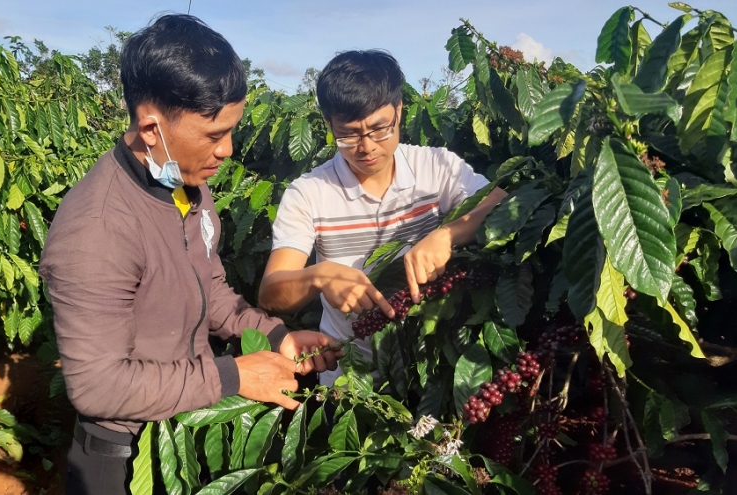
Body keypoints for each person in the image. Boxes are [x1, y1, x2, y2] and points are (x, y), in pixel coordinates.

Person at [38, 14, 341, 494]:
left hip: (183, 432)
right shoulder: (96, 229)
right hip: (122, 457)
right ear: (151, 128)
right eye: (213, 135)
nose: (227, 150)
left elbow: (210, 291)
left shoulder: (187, 185)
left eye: (231, 131)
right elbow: (98, 386)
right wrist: (234, 375)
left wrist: (276, 336)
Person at [258, 50, 506, 385]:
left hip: (428, 372)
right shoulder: (309, 193)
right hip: (348, 380)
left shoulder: (436, 167)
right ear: (328, 124)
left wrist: (448, 235)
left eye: (380, 129)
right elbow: (271, 293)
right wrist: (318, 277)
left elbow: (500, 204)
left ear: (399, 111)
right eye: (348, 134)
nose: (367, 147)